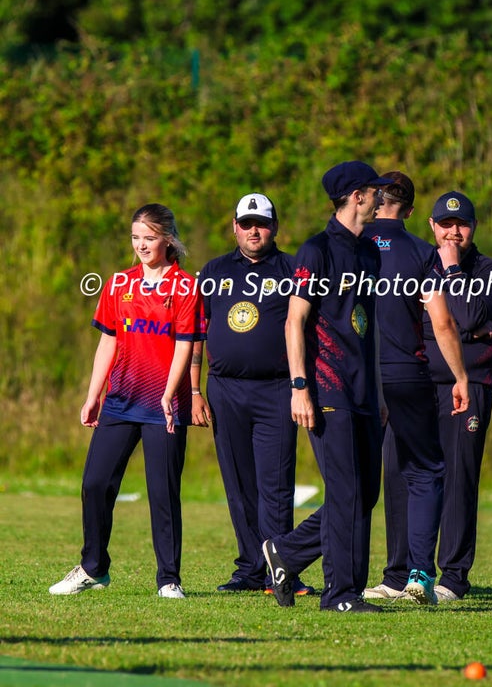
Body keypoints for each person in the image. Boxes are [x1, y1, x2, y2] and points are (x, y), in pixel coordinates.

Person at [49, 204, 203, 598]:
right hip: (119, 401)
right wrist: (92, 395)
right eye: (136, 237)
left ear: (167, 238)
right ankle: (93, 567)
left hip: (163, 406)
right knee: (95, 484)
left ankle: (169, 579)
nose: (141, 245)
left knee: (162, 493)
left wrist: (170, 395)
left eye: (149, 238)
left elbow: (186, 345)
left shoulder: (185, 287)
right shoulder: (119, 283)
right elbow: (108, 341)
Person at [262, 160, 393, 613]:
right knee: (346, 494)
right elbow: (295, 322)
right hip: (325, 388)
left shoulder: (370, 253)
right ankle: (341, 594)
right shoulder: (315, 251)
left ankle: (286, 553)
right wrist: (300, 387)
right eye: (375, 191)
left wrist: (376, 395)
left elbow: (366, 329)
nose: (380, 198)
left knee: (364, 495)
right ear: (357, 196)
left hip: (362, 393)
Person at [191, 194, 313, 596]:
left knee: (275, 484)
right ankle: (250, 568)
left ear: (274, 227)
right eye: (246, 223)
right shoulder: (214, 270)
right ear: (235, 227)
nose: (254, 230)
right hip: (225, 390)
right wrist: (193, 388)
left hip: (276, 389)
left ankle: (282, 568)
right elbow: (194, 332)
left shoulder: (293, 268)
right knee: (239, 483)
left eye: (261, 222)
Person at [363, 173, 470, 606]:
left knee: (359, 478)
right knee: (425, 472)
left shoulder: (345, 244)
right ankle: (419, 575)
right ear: (410, 211)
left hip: (355, 377)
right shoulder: (423, 254)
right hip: (406, 372)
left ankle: (336, 571)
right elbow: (442, 322)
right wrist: (460, 376)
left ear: (372, 202)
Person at [425, 191, 492, 602]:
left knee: (460, 477)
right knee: (416, 478)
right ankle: (406, 572)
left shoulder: (490, 270)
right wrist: (459, 323)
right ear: (432, 227)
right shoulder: (421, 265)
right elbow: (421, 325)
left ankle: (453, 577)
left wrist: (453, 271)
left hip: (470, 384)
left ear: (473, 227)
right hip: (423, 384)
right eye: (445, 224)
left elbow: (473, 317)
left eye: (461, 224)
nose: (453, 231)